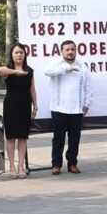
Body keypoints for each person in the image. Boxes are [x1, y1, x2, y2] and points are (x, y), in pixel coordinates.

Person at [45, 40, 92, 175]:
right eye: (67, 50)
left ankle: (72, 163)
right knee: (58, 138)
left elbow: (89, 86)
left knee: (74, 139)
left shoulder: (83, 66)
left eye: (73, 49)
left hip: (77, 109)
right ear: (61, 51)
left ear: (76, 50)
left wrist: (87, 104)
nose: (70, 52)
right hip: (59, 108)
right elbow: (47, 72)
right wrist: (66, 69)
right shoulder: (55, 64)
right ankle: (56, 165)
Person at [0, 43, 37, 178]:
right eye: (16, 52)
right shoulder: (7, 70)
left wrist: (35, 105)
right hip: (11, 105)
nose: (19, 55)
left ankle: (21, 165)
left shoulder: (29, 70)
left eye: (21, 52)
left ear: (25, 54)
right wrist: (16, 72)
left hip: (25, 105)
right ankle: (11, 166)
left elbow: (32, 89)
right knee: (11, 137)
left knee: (22, 137)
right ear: (11, 55)